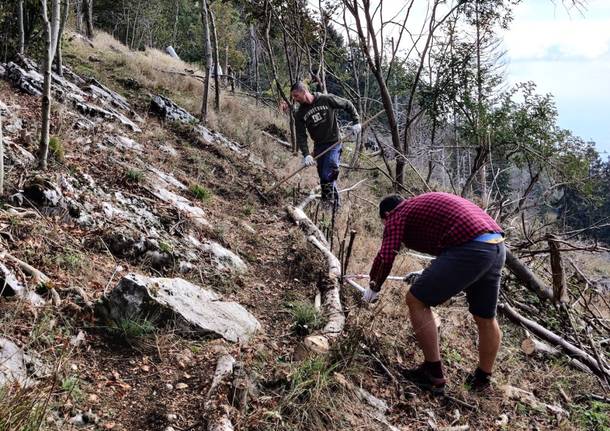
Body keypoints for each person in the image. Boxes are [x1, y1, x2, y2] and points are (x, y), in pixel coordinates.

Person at [362, 192, 506, 394]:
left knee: (416, 300)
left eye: (384, 224)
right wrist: (427, 272)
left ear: (386, 214)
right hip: (496, 246)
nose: (387, 227)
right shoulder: (418, 207)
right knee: (485, 317)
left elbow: (386, 255)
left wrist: (373, 287)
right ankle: (482, 381)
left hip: (473, 249)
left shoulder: (396, 214)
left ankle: (432, 373)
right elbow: (452, 240)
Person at [290, 81, 360, 208]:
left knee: (329, 172)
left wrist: (356, 121)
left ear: (304, 91)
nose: (295, 99)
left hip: (334, 143)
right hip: (319, 146)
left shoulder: (326, 99)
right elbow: (301, 135)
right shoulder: (300, 114)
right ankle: (332, 206)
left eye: (296, 96)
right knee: (323, 177)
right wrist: (306, 155)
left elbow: (347, 104)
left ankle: (330, 204)